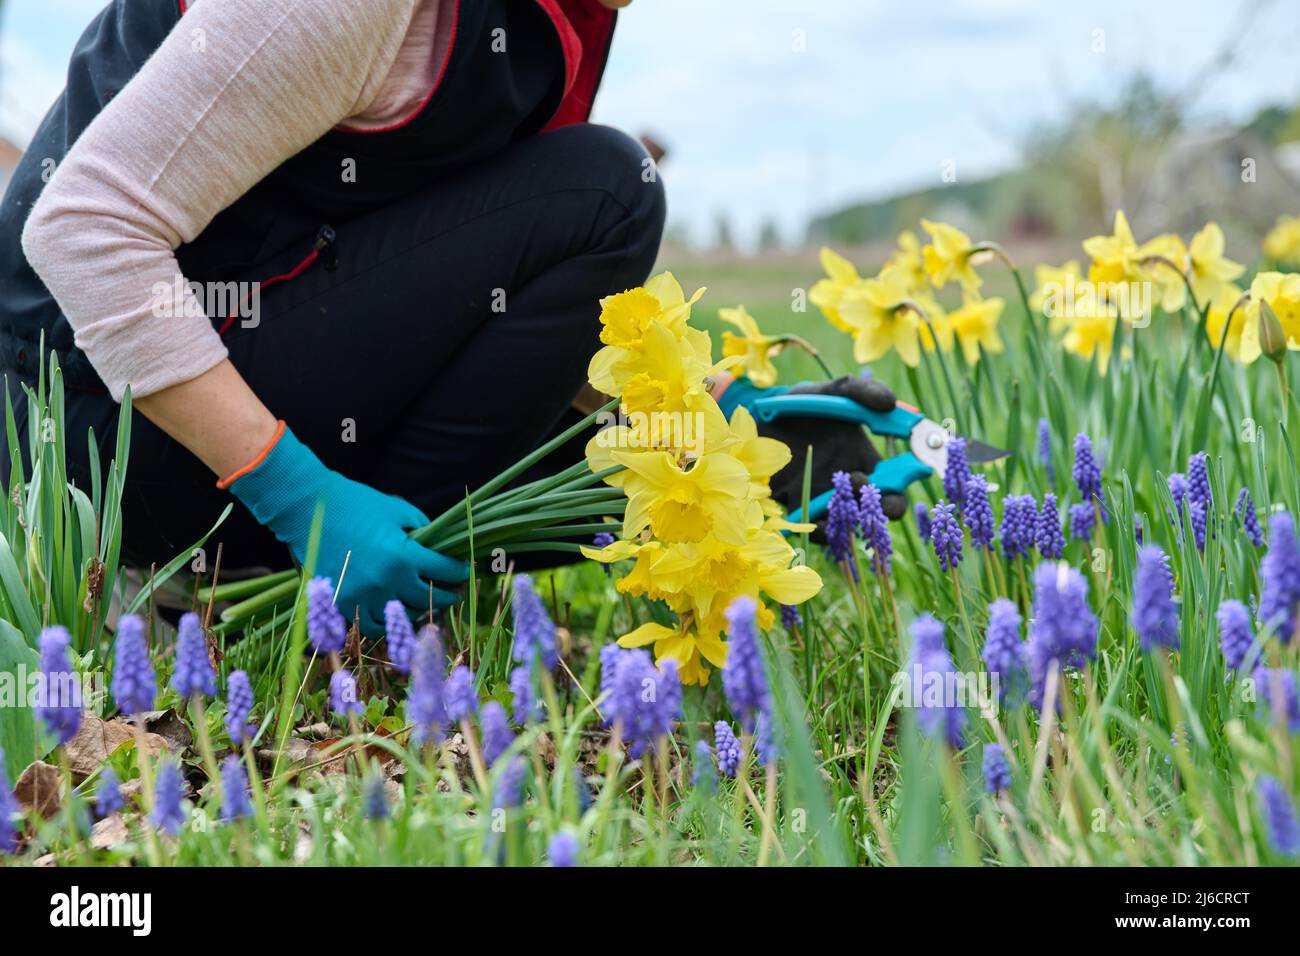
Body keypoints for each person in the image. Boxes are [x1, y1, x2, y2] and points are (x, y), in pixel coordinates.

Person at [0, 0, 901, 636]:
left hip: (206, 383)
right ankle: (266, 591)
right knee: (608, 191)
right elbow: (83, 232)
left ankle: (360, 591)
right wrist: (301, 500)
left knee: (622, 441)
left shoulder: (560, 21)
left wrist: (703, 424)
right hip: (88, 453)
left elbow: (461, 294)